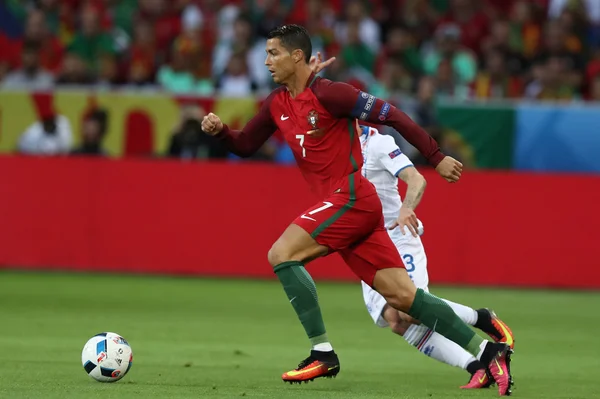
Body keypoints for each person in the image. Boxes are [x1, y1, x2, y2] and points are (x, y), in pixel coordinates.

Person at [201, 25, 513, 396]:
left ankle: (322, 352)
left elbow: (392, 114)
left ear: (296, 56)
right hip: (349, 208)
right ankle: (488, 351)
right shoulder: (276, 103)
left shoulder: (332, 94)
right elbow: (246, 145)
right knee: (403, 301)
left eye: (273, 53)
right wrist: (222, 132)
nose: (266, 61)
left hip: (350, 196)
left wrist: (436, 156)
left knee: (282, 254)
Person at [356, 124, 515, 390]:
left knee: (411, 310)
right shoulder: (334, 148)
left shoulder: (378, 143)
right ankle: (477, 367)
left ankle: (482, 319)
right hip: (366, 245)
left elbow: (417, 179)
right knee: (396, 321)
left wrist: (406, 209)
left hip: (397, 236)